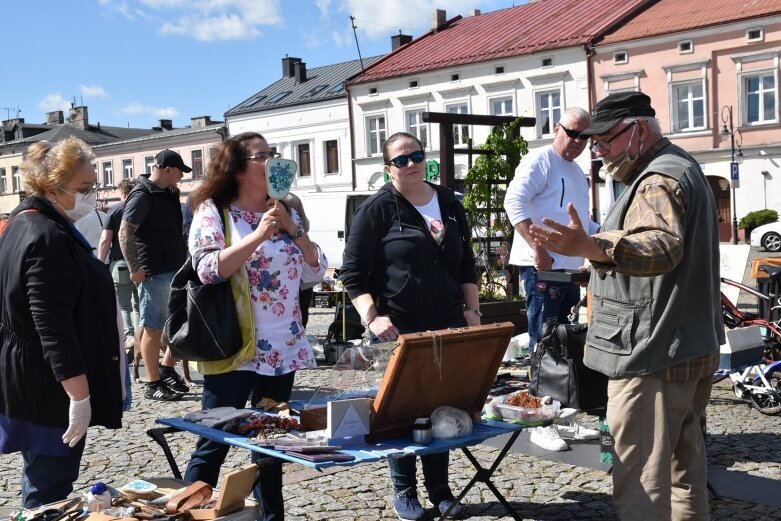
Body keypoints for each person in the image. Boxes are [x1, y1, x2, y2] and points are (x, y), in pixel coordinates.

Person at [530, 91, 723, 520]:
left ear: (637, 129)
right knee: (683, 474)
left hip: (652, 356)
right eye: (592, 142)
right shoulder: (681, 165)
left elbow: (662, 248)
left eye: (605, 140)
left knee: (640, 484)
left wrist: (594, 246)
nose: (597, 152)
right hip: (687, 345)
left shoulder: (657, 179)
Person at [184, 132, 326, 521]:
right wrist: (260, 234)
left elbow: (316, 271)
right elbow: (209, 269)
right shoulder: (214, 211)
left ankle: (270, 517)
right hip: (234, 346)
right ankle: (185, 512)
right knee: (214, 441)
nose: (273, 162)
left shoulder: (286, 211)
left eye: (273, 154)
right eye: (262, 156)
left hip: (282, 346)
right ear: (238, 168)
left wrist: (292, 230)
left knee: (272, 444)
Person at [340, 132, 480, 521]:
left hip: (447, 320)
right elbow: (352, 272)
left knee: (441, 406)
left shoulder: (449, 201)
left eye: (416, 155)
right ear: (388, 168)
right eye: (400, 160)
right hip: (397, 325)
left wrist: (472, 311)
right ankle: (404, 490)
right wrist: (372, 315)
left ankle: (440, 489)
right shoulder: (377, 209)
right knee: (400, 410)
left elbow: (466, 262)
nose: (410, 164)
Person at [0, 138, 124, 508]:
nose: (92, 196)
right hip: (48, 386)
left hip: (32, 378)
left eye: (94, 186)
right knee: (49, 489)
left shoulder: (21, 222)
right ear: (54, 188)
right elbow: (52, 325)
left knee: (41, 478)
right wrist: (80, 397)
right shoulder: (46, 235)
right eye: (85, 189)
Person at [503, 106, 601, 451]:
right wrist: (536, 248)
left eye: (584, 136)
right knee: (544, 344)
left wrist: (606, 241)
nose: (577, 141)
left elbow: (584, 223)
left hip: (569, 270)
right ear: (556, 128)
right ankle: (538, 421)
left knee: (566, 345)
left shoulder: (576, 171)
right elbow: (513, 201)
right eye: (572, 132)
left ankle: (562, 416)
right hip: (542, 266)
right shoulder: (539, 160)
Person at [119, 150, 190, 400]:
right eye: (180, 171)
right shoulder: (142, 194)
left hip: (175, 266)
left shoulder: (169, 193)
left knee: (180, 322)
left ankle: (167, 368)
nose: (182, 177)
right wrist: (134, 269)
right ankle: (153, 383)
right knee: (153, 327)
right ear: (167, 170)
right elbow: (125, 232)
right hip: (154, 271)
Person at [99, 178, 139, 352]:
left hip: (119, 264)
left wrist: (100, 264)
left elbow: (105, 240)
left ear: (122, 192)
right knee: (139, 303)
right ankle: (140, 338)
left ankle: (128, 337)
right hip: (141, 263)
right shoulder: (142, 206)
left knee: (123, 305)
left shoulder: (115, 209)